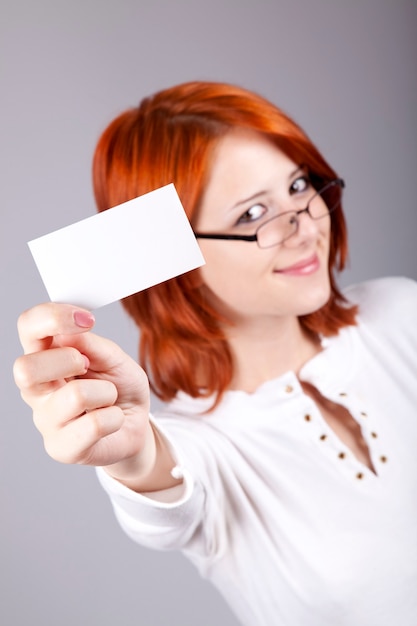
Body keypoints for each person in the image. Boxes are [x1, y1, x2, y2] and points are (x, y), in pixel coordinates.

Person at [13, 81, 417, 626]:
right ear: (174, 257)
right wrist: (133, 454)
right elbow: (162, 486)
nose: (304, 225)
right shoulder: (203, 450)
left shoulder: (402, 312)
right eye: (252, 214)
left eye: (300, 184)